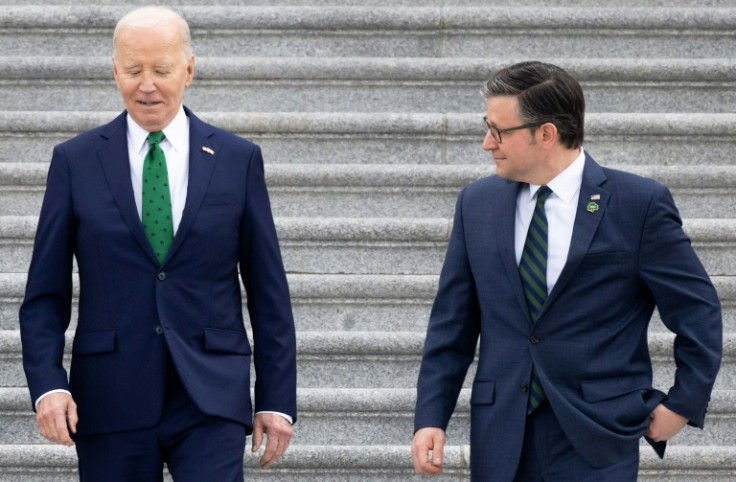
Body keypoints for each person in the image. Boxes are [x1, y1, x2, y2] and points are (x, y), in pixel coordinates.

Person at [19, 6, 296, 481]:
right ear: (115, 71)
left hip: (210, 397)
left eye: (161, 70)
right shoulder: (75, 161)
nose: (147, 85)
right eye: (133, 70)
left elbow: (268, 290)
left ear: (188, 69)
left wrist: (276, 397)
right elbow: (44, 294)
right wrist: (48, 385)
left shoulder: (237, 159)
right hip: (110, 397)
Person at [411, 61, 722, 481]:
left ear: (546, 134)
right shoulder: (477, 204)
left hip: (598, 434)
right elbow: (452, 323)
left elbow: (698, 311)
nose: (487, 143)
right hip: (502, 435)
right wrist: (431, 416)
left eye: (499, 131)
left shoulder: (637, 204)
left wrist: (683, 403)